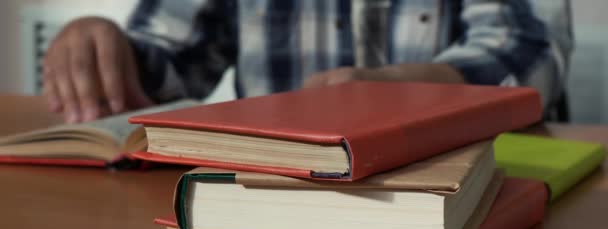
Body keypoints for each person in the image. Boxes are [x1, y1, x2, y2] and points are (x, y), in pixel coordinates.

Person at [42, 0, 572, 124]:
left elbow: (529, 52)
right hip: (273, 204)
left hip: (466, 201)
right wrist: (105, 50)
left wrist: (417, 89)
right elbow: (173, 63)